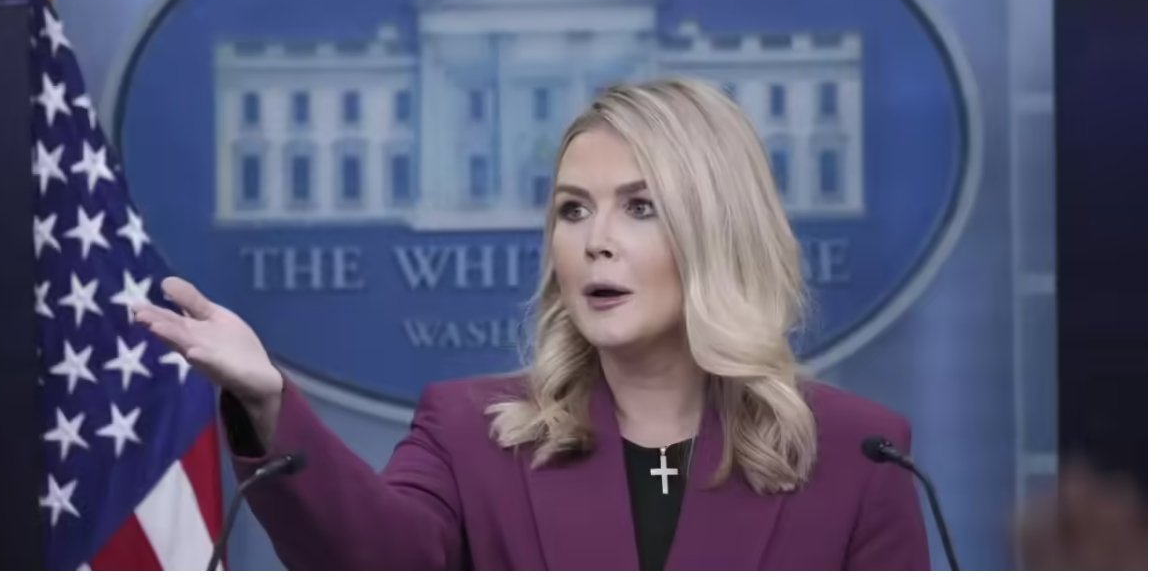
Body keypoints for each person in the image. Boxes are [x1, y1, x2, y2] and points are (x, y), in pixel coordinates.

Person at [133, 78, 930, 570]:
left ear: (720, 230)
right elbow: (374, 559)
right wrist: (267, 401)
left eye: (640, 208)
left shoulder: (860, 455)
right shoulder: (471, 433)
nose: (595, 240)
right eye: (573, 210)